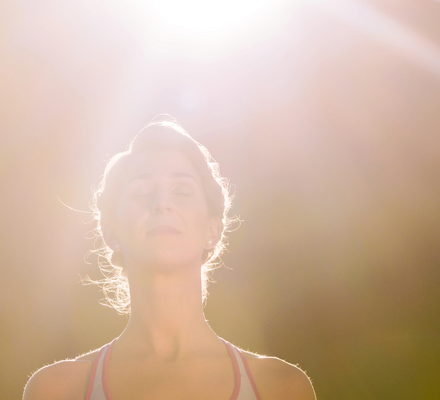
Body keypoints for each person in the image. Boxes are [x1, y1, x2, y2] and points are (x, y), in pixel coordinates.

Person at [23, 120, 316, 400]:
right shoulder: (57, 391)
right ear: (112, 231)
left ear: (212, 229)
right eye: (142, 192)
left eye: (182, 191)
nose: (162, 203)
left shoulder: (281, 389)